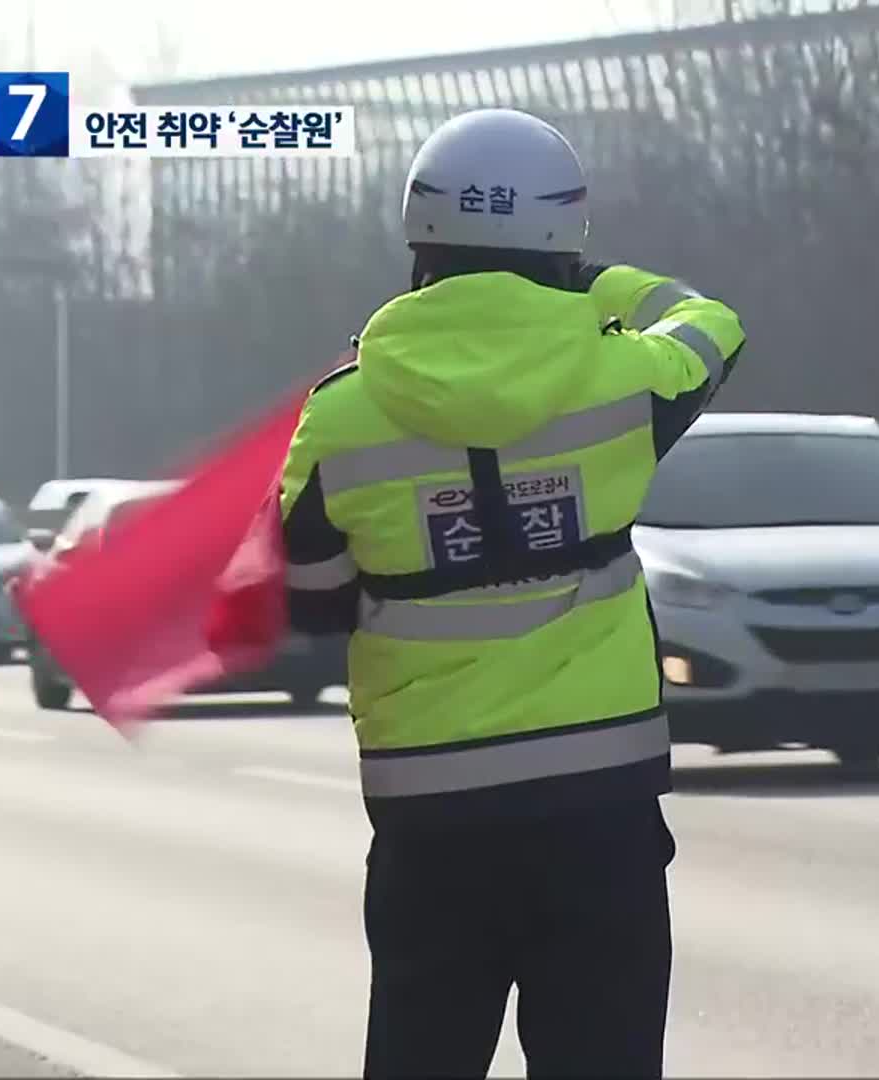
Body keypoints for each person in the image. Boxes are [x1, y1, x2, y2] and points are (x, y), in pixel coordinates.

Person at [276, 107, 745, 1079]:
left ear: (420, 242)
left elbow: (310, 602)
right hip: (598, 813)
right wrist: (602, 282)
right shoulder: (623, 380)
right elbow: (712, 325)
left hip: (431, 824)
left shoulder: (339, 415)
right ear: (563, 242)